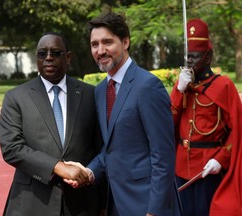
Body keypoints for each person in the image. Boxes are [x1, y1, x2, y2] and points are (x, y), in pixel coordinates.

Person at [66, 12, 182, 216]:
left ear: (125, 42)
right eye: (94, 44)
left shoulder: (148, 86)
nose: (100, 50)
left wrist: (154, 211)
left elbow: (163, 155)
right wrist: (88, 172)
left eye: (107, 42)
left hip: (147, 204)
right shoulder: (101, 90)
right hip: (116, 204)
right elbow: (112, 148)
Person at [0, 32, 105, 216]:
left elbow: (101, 148)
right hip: (32, 203)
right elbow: (11, 148)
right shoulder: (16, 97)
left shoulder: (90, 95)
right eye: (42, 53)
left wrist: (102, 202)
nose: (48, 58)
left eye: (56, 53)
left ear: (68, 57)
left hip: (83, 203)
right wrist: (57, 167)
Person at [170, 18, 242, 216]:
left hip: (209, 167)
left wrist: (221, 158)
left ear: (208, 57)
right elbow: (167, 125)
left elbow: (238, 130)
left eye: (194, 57)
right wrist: (178, 91)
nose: (189, 62)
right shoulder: (182, 86)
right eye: (187, 58)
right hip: (181, 167)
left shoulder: (223, 86)